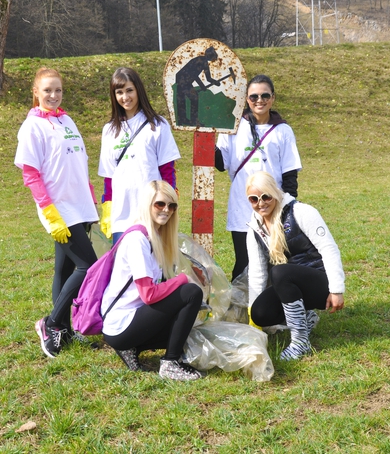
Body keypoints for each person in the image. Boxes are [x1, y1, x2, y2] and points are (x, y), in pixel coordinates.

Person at [14, 67, 99, 358]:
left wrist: (90, 198)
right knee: (88, 266)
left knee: (64, 270)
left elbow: (79, 163)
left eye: (58, 90)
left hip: (80, 206)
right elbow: (31, 173)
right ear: (36, 91)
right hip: (59, 208)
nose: (53, 95)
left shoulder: (66, 120)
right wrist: (49, 212)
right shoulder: (32, 127)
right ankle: (50, 324)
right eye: (47, 90)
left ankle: (64, 329)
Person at [102, 181, 204, 381]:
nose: (166, 210)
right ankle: (170, 364)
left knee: (186, 328)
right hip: (120, 325)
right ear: (147, 204)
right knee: (191, 293)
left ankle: (132, 348)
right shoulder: (137, 240)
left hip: (131, 319)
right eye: (160, 204)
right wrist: (184, 279)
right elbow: (149, 295)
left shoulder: (154, 236)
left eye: (171, 206)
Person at [245, 172, 345, 361]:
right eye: (253, 199)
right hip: (290, 284)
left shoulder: (301, 212)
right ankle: (306, 317)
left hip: (320, 282)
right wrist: (253, 323)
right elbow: (257, 272)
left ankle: (300, 342)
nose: (261, 203)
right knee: (261, 313)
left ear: (275, 193)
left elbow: (329, 249)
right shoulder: (255, 227)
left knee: (280, 272)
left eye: (265, 196)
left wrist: (337, 290)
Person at [215, 74, 303, 282]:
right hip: (242, 205)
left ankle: (275, 308)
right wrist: (205, 134)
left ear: (272, 98)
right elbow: (220, 163)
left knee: (275, 261)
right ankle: (242, 309)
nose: (259, 101)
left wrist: (287, 211)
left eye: (265, 95)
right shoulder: (232, 127)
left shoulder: (283, 130)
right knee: (244, 261)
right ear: (246, 99)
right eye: (253, 97)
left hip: (272, 207)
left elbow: (289, 175)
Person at [99, 67, 181, 245]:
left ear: (138, 90)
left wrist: (166, 203)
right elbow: (108, 176)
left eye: (129, 90)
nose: (125, 97)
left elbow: (167, 170)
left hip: (152, 211)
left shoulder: (158, 125)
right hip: (121, 214)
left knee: (154, 268)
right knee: (124, 269)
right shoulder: (109, 130)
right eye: (119, 92)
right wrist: (108, 207)